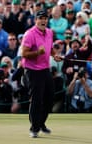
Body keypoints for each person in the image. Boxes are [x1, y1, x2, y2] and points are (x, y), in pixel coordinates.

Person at [21, 10, 62, 138]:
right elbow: (24, 54)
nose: (43, 21)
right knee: (37, 100)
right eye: (41, 18)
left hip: (45, 69)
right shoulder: (29, 34)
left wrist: (54, 55)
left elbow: (49, 49)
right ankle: (34, 128)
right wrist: (37, 53)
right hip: (32, 70)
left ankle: (41, 123)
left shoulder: (49, 32)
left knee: (49, 98)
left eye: (45, 18)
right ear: (36, 20)